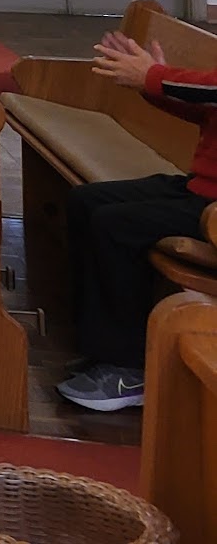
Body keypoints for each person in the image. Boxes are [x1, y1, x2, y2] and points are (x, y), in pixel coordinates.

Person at [55, 28, 217, 412]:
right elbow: (207, 107)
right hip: (203, 186)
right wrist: (151, 82)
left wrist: (150, 75)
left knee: (117, 225)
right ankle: (101, 349)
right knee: (86, 201)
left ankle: (130, 370)